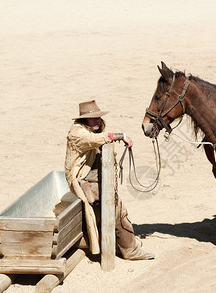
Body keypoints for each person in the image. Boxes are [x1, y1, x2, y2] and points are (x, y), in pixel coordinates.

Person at [64, 100, 154, 260]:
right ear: (83, 120)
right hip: (81, 179)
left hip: (93, 176)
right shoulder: (77, 132)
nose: (96, 120)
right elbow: (93, 141)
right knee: (114, 206)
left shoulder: (93, 130)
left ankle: (117, 244)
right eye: (92, 118)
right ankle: (131, 251)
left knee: (114, 206)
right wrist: (121, 136)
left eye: (98, 117)